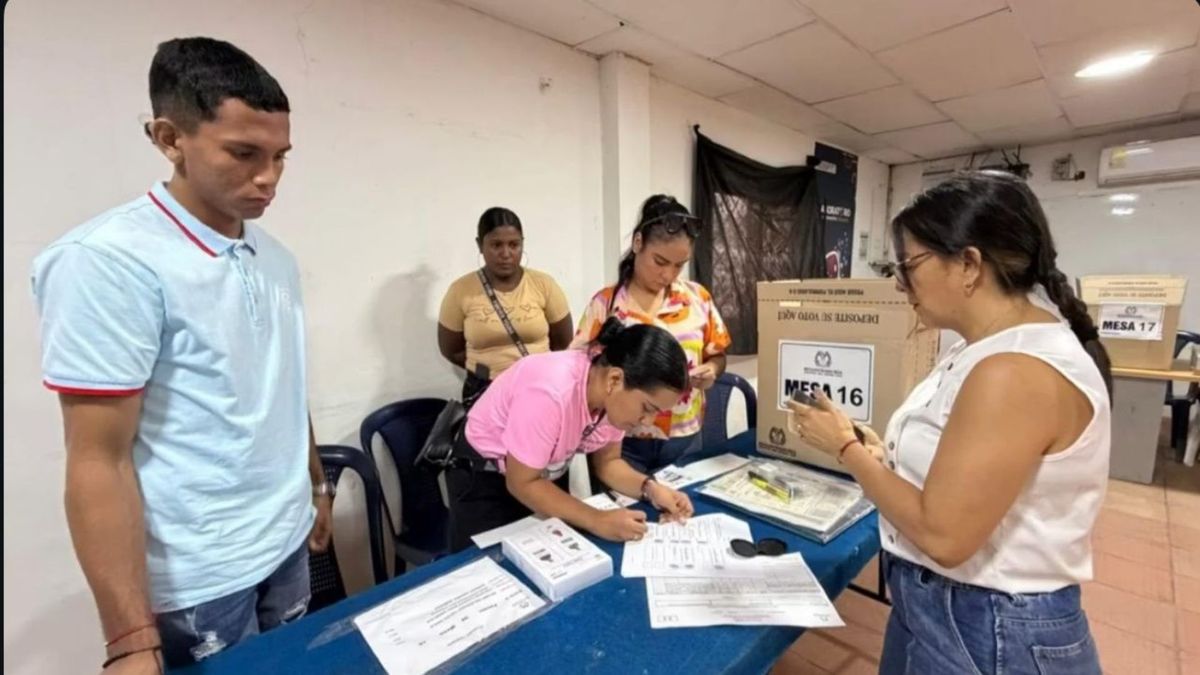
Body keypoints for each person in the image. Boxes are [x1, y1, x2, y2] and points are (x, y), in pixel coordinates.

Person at [31, 38, 332, 672]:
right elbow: (96, 459)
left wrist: (314, 486)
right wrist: (129, 642)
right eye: (243, 154)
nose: (269, 177)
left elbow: (282, 383)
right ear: (169, 138)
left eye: (280, 157)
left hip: (284, 544)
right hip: (200, 578)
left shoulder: (275, 257)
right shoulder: (107, 262)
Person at [789, 171, 1110, 675]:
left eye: (909, 265)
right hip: (946, 609)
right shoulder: (985, 349)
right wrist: (879, 452)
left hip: (988, 626)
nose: (900, 284)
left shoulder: (1014, 371)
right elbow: (962, 470)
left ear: (968, 264)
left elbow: (944, 535)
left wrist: (844, 451)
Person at [446, 318, 696, 552]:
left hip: (539, 477)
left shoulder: (612, 398)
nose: (648, 422)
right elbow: (521, 482)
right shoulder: (550, 392)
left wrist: (650, 489)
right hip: (486, 481)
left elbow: (609, 464)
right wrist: (597, 520)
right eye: (647, 408)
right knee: (490, 570)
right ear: (615, 379)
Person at [574, 195, 731, 474]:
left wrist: (712, 370)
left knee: (680, 509)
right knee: (626, 511)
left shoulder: (697, 298)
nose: (668, 274)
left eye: (679, 265)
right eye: (660, 261)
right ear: (637, 244)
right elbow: (580, 370)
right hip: (621, 440)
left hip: (685, 435)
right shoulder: (607, 304)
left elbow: (718, 355)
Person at [438, 207, 574, 405]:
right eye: (496, 245)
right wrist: (490, 369)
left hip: (537, 388)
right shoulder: (460, 291)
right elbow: (451, 349)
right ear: (480, 245)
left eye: (514, 244)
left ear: (522, 244)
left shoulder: (544, 285)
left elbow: (562, 343)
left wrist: (534, 369)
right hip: (484, 390)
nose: (506, 253)